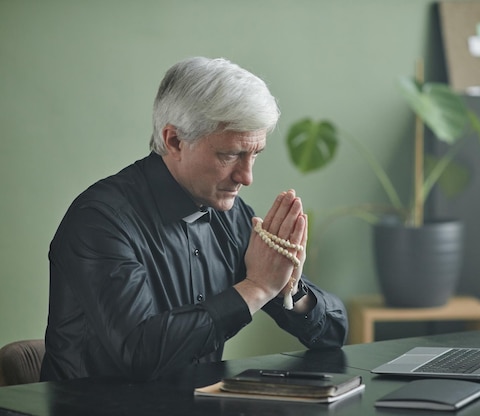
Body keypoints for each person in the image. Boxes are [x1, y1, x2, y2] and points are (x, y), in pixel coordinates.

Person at [40, 57, 348, 382]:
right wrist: (257, 287)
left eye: (255, 154)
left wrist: (290, 289)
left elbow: (332, 336)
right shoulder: (99, 221)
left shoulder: (232, 217)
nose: (247, 177)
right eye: (230, 155)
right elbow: (140, 353)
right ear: (174, 141)